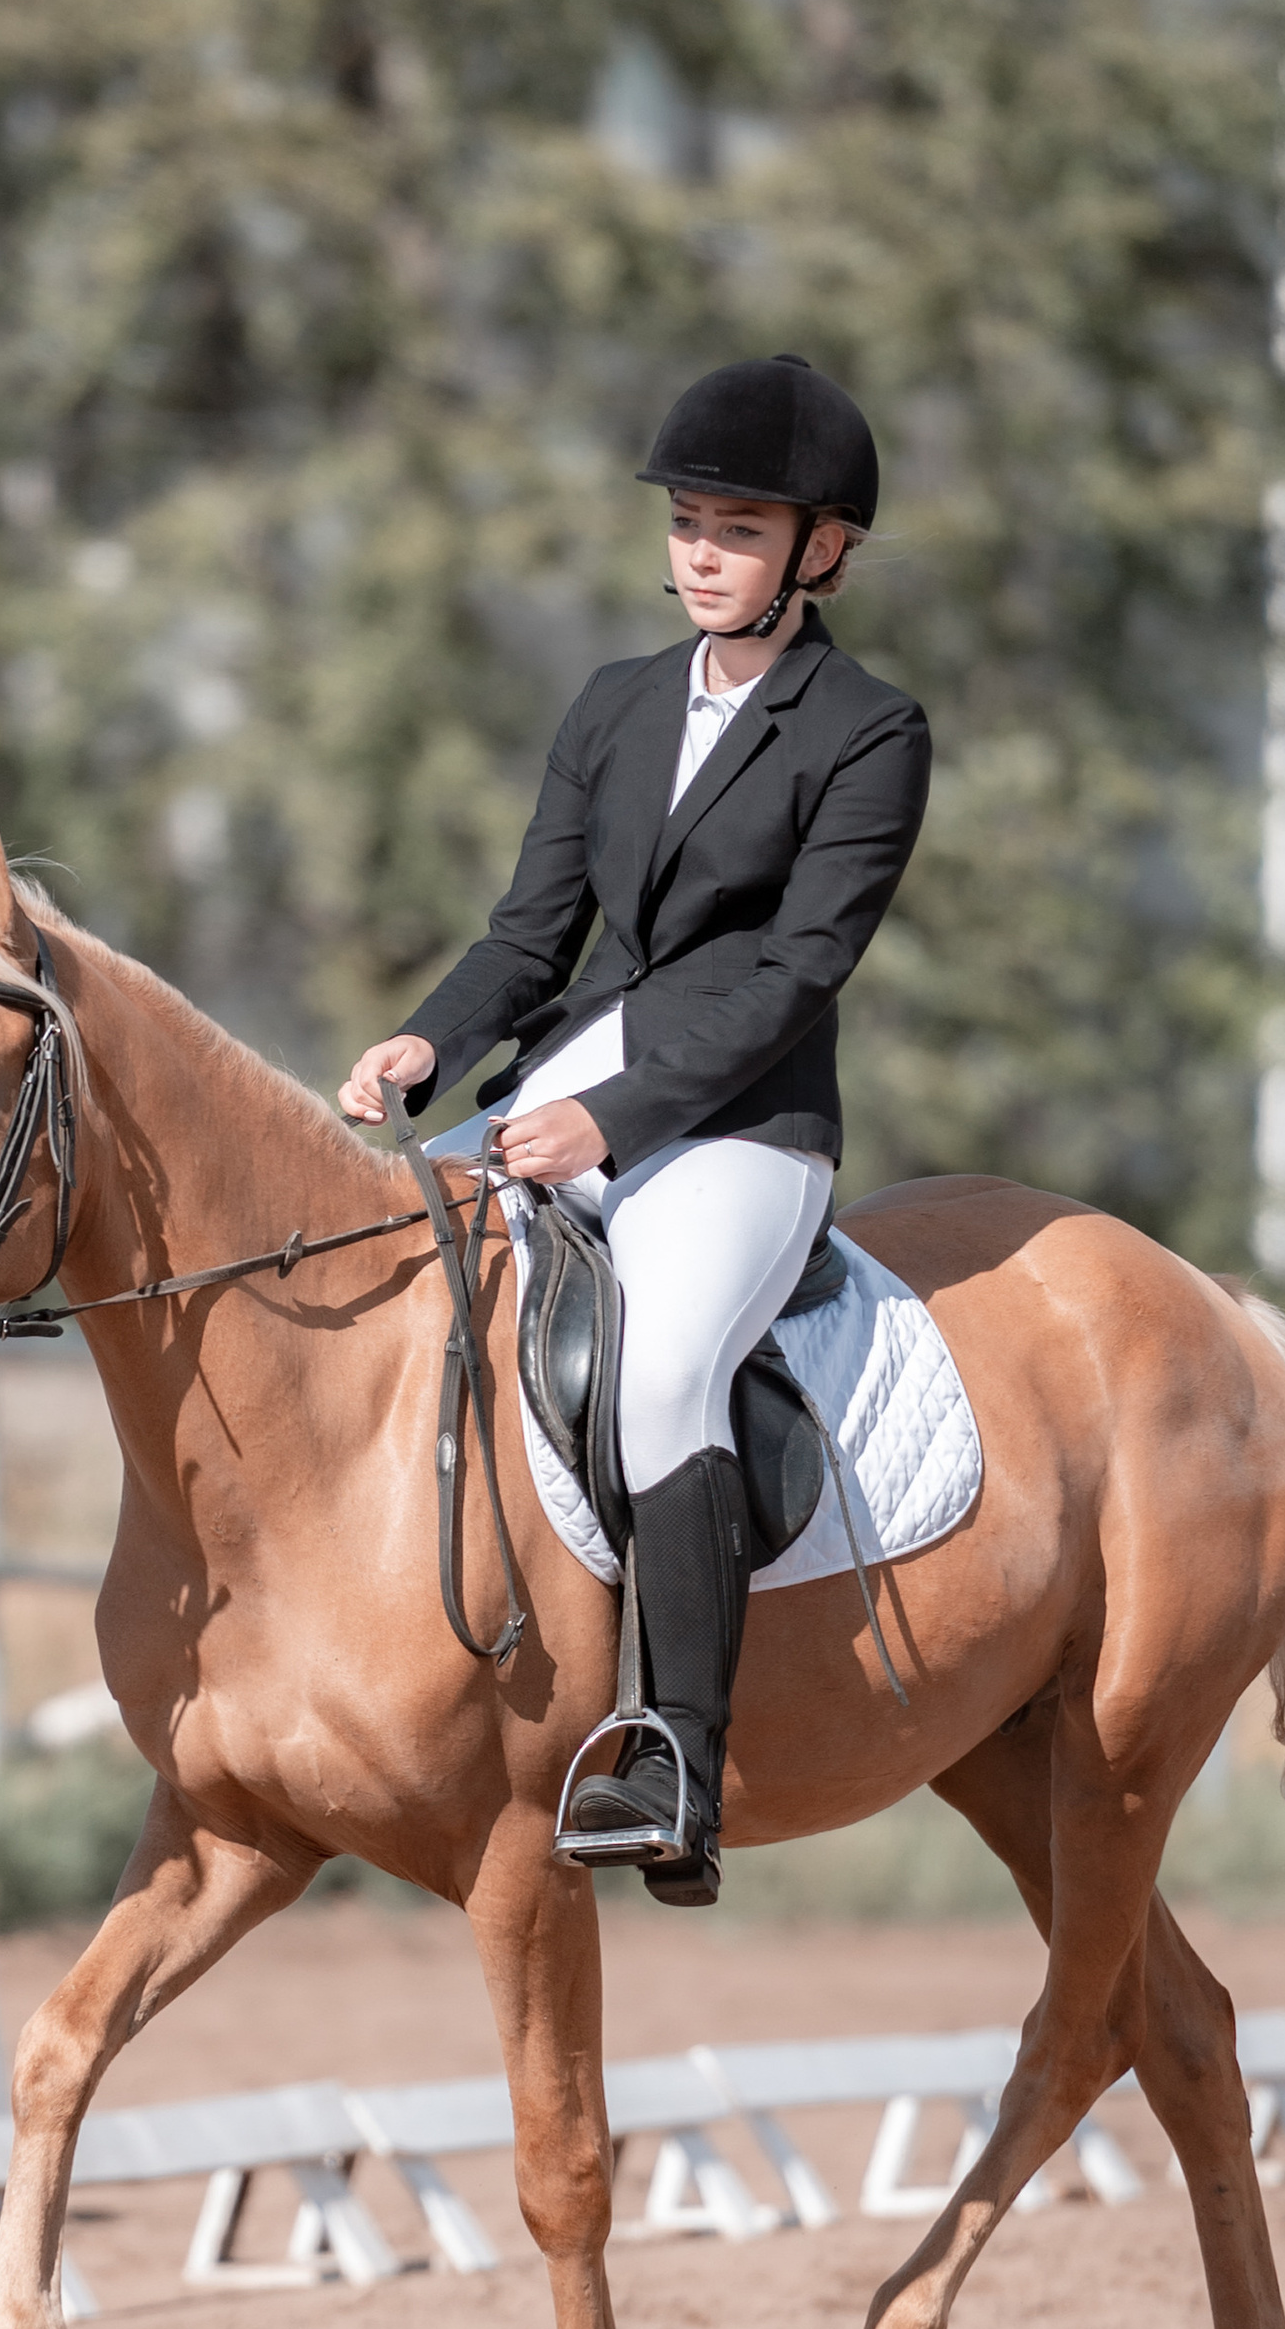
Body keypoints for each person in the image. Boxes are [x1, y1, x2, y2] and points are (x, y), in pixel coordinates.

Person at [340, 354, 931, 1904]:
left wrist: (606, 1122)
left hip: (741, 1126)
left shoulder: (868, 732)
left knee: (668, 1365)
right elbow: (532, 932)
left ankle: (676, 1749)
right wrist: (432, 1038)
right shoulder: (612, 705)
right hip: (568, 1081)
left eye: (734, 529)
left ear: (822, 549)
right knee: (389, 1273)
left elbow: (800, 973)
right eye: (685, 522)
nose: (697, 554)